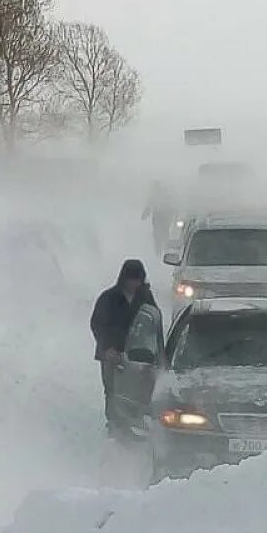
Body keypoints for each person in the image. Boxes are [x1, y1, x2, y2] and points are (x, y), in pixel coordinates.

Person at [90, 259, 158, 432]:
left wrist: (157, 351)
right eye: (131, 279)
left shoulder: (146, 298)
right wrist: (107, 348)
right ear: (123, 278)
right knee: (112, 389)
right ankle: (114, 424)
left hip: (140, 354)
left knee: (140, 389)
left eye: (137, 280)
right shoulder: (109, 298)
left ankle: (136, 420)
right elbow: (97, 324)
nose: (134, 284)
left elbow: (154, 322)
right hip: (112, 353)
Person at [141, 181, 174, 255]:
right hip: (159, 220)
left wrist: (145, 215)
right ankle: (161, 253)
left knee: (161, 238)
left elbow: (149, 207)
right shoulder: (155, 197)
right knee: (160, 238)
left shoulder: (163, 196)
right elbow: (149, 207)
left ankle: (163, 253)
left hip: (162, 220)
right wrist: (145, 214)